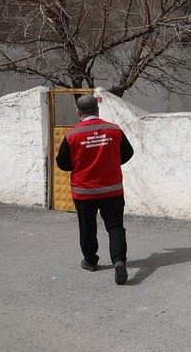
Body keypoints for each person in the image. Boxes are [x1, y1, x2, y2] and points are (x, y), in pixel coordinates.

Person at [56, 95, 134, 285]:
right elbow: (128, 153)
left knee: (87, 227)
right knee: (115, 227)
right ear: (97, 110)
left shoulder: (72, 135)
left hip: (84, 191)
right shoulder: (114, 130)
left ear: (78, 111)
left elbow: (63, 164)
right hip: (112, 190)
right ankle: (119, 261)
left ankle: (90, 261)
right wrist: (111, 162)